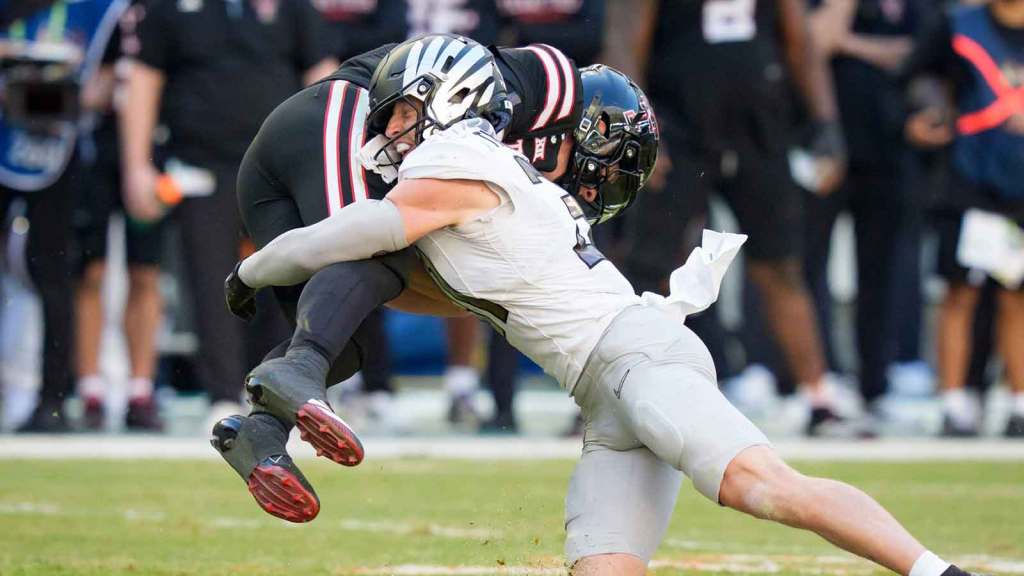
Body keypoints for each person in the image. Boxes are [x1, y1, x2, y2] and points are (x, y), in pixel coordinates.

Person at [235, 63, 981, 576]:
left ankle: (936, 570)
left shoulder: (464, 158)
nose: (390, 126)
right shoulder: (486, 165)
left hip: (637, 358)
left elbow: (347, 234)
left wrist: (253, 268)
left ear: (441, 99)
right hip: (604, 389)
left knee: (763, 486)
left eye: (401, 110)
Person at [215, 34, 586, 516]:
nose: (589, 190)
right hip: (340, 113)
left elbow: (410, 287)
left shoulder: (501, 181)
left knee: (340, 342)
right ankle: (296, 365)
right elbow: (448, 66)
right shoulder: (547, 83)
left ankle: (259, 434)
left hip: (295, 170)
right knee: (370, 250)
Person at [603, 0, 851, 436]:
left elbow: (798, 38)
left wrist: (825, 120)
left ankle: (818, 396)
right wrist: (638, 127)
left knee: (781, 264)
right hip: (677, 122)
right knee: (651, 265)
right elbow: (624, 39)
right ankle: (616, 388)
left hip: (758, 123)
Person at [121, 0, 337, 427]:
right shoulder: (171, 10)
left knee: (287, 276)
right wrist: (136, 165)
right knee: (211, 281)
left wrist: (325, 165)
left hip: (276, 168)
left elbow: (325, 81)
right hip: (201, 165)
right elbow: (144, 80)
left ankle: (275, 391)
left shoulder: (294, 10)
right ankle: (222, 393)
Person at [2, 0, 128, 432]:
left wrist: (51, 90)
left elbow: (104, 82)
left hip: (62, 145)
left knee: (54, 272)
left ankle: (53, 400)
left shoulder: (98, 11)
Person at [901, 0, 1024, 438]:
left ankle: (1017, 402)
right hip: (970, 180)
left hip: (1020, 183)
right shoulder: (958, 26)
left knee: (1017, 296)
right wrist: (927, 112)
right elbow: (918, 76)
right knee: (960, 291)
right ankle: (954, 401)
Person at [73, 0, 163, 431]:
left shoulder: (173, 13)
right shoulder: (110, 13)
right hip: (101, 149)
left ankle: (140, 388)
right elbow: (98, 82)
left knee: (145, 270)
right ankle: (89, 387)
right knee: (90, 268)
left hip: (154, 150)